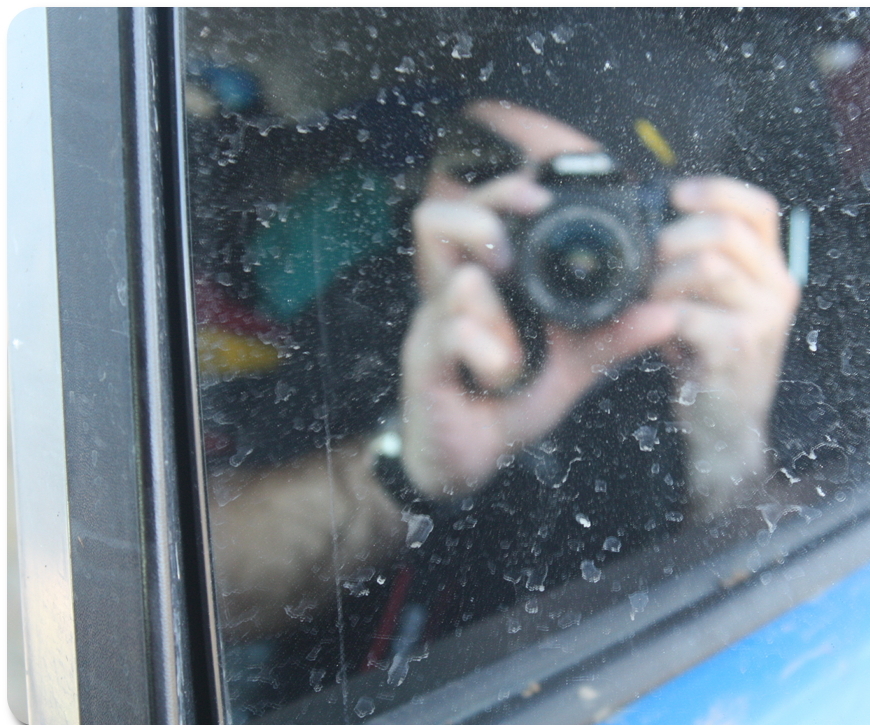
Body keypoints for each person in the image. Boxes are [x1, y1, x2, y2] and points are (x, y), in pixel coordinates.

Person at [206, 97, 800, 646]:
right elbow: (189, 593)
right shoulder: (363, 309)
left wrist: (728, 449)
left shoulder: (706, 356)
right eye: (481, 167)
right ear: (423, 186)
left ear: (664, 228)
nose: (537, 221)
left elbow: (795, 657)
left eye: (590, 200)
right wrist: (406, 467)